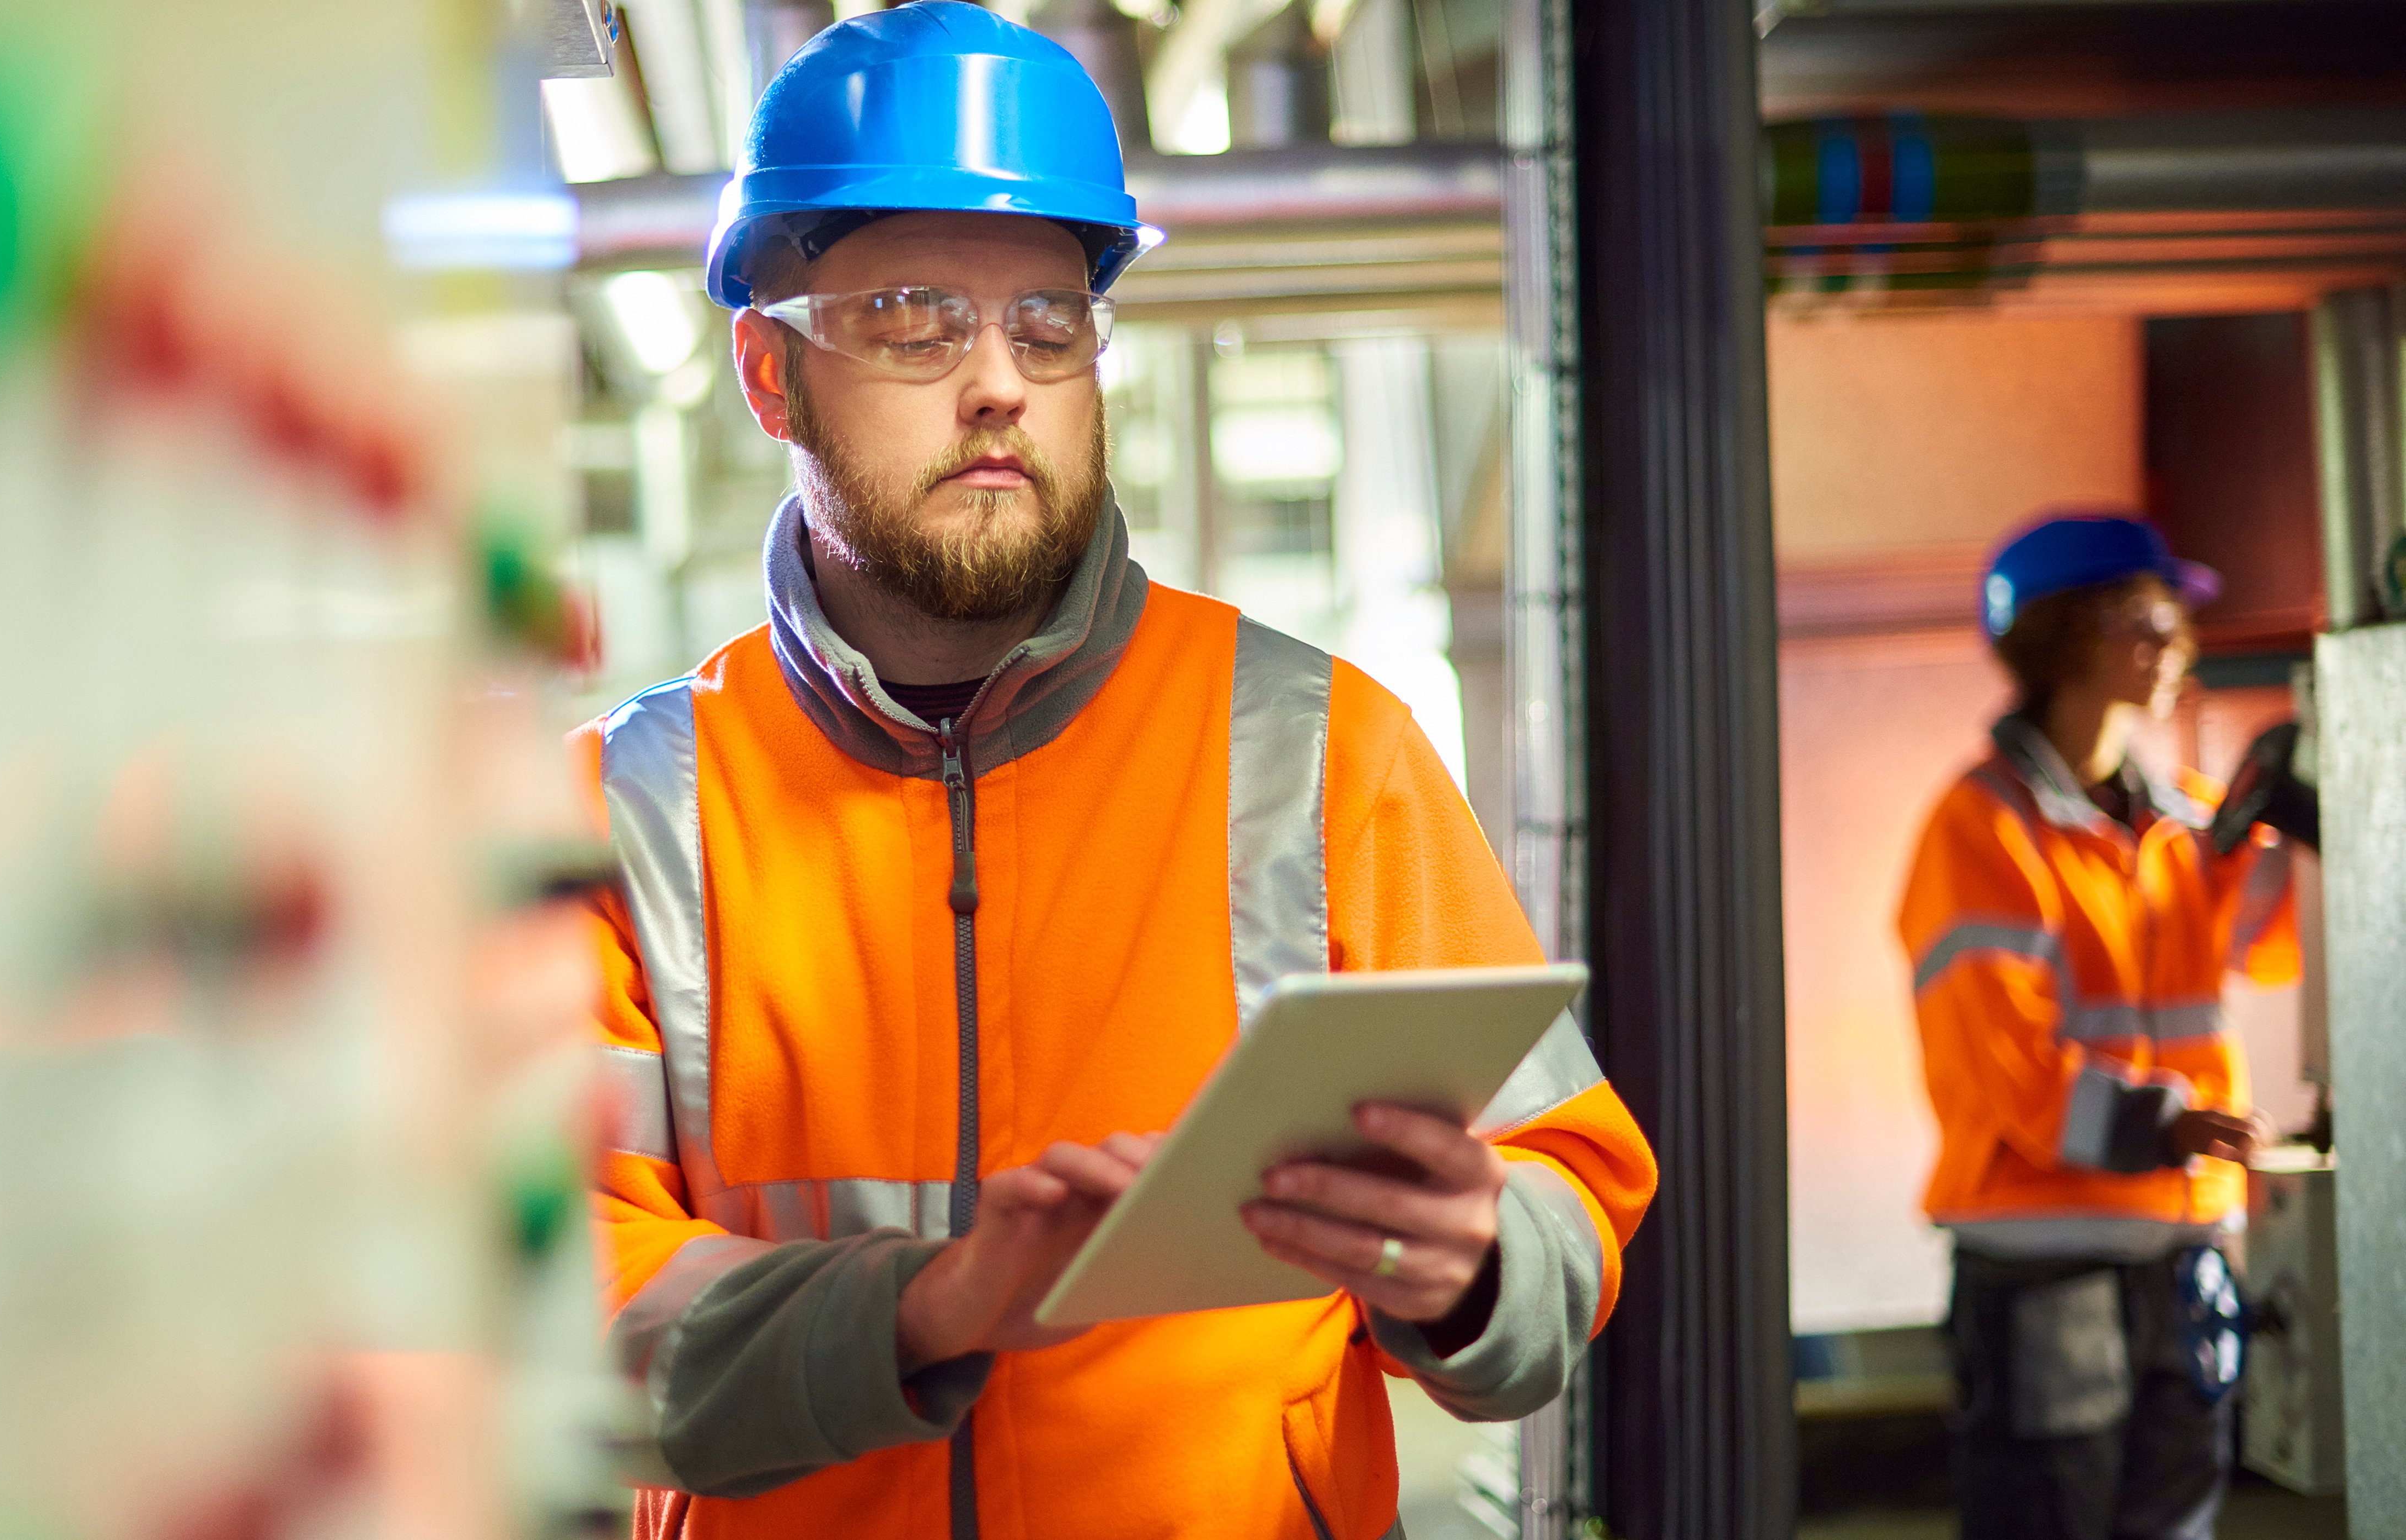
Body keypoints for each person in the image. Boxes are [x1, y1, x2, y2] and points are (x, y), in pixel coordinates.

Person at [574, 7, 1657, 1537]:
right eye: (910, 315)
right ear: (768, 373)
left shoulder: (1321, 745)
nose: (1001, 381)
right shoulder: (629, 817)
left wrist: (1481, 1256)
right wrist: (926, 1308)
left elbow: (1573, 1194)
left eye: (1048, 322)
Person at [1899, 511, 2306, 1540]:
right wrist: (2164, 1127)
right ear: (2063, 634)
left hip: (2181, 1246)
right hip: (2047, 1261)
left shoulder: (2186, 824)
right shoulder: (1982, 829)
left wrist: (2312, 820)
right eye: (2149, 616)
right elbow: (2004, 1063)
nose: (2178, 642)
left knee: (2173, 1525)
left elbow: (2281, 944)